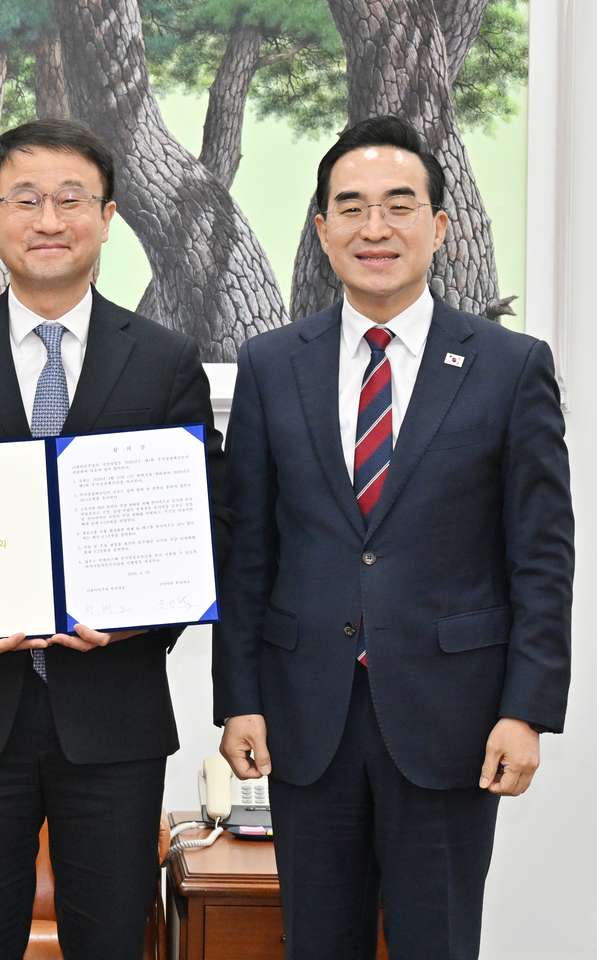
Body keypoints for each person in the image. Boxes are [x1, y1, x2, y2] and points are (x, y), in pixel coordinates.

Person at [0, 119, 231, 960]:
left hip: (114, 711)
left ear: (107, 216)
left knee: (111, 940)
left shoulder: (167, 361)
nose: (49, 220)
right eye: (25, 200)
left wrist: (147, 617)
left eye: (72, 200)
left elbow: (202, 516)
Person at [214, 115, 572, 960]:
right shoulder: (271, 364)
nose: (375, 229)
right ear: (323, 230)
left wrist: (527, 710)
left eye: (399, 206)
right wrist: (240, 697)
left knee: (437, 944)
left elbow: (542, 557)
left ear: (440, 227)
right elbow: (249, 548)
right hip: (308, 720)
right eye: (352, 207)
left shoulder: (509, 365)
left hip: (452, 719)